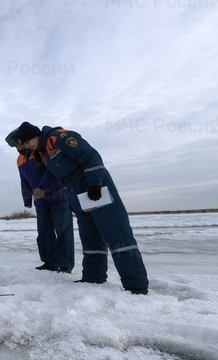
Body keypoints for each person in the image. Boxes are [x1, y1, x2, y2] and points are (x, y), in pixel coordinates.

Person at [17, 122, 149, 295]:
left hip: (94, 187)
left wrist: (95, 183)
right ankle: (94, 276)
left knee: (115, 232)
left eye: (28, 142)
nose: (27, 147)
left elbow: (90, 156)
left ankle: (135, 284)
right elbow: (52, 174)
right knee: (90, 234)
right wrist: (41, 189)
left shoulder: (58, 138)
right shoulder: (45, 153)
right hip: (76, 192)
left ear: (35, 135)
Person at [6, 128, 74, 273]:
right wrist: (27, 199)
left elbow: (54, 172)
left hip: (58, 197)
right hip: (40, 202)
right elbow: (24, 180)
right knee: (44, 233)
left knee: (63, 230)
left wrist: (44, 189)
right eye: (15, 147)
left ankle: (65, 264)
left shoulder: (40, 151)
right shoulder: (20, 160)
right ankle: (50, 262)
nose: (17, 149)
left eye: (18, 145)